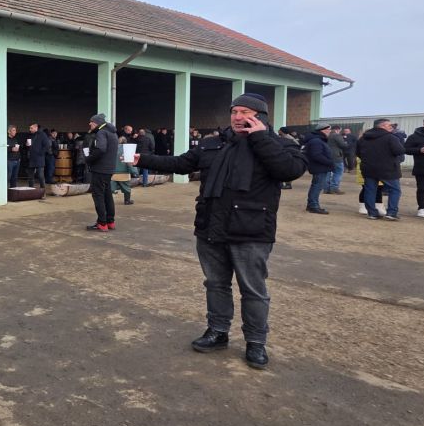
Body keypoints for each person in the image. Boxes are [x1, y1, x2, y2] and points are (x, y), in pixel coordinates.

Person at [134, 92, 307, 369]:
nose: (238, 117)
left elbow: (290, 170)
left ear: (260, 117)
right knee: (215, 284)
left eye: (245, 112)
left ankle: (256, 342)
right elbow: (181, 164)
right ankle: (217, 331)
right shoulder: (213, 144)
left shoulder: (279, 144)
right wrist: (141, 159)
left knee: (253, 290)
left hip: (251, 231)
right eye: (234, 111)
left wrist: (259, 138)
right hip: (210, 227)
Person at [356, 119, 405, 220]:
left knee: (370, 190)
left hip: (368, 168)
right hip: (388, 169)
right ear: (382, 126)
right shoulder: (391, 137)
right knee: (394, 190)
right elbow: (399, 151)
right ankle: (391, 213)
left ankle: (372, 213)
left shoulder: (363, 138)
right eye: (389, 125)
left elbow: (358, 152)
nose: (391, 127)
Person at [83, 114, 119, 231]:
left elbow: (101, 149)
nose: (89, 123)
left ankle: (102, 223)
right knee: (107, 194)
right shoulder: (112, 133)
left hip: (100, 169)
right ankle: (110, 221)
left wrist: (89, 159)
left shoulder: (101, 133)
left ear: (97, 122)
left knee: (98, 195)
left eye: (91, 121)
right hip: (109, 169)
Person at [404, 115, 424, 218]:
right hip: (422, 167)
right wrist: (419, 150)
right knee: (422, 189)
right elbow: (405, 149)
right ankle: (422, 208)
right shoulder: (415, 136)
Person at [302, 123, 334, 214]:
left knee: (317, 186)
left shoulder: (319, 140)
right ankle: (313, 206)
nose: (330, 131)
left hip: (320, 167)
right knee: (317, 186)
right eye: (329, 129)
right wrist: (329, 162)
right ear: (323, 130)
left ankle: (312, 205)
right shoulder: (316, 141)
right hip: (319, 167)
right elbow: (316, 155)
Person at [26, 123, 50, 189]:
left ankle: (43, 190)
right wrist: (27, 145)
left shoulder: (42, 134)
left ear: (36, 128)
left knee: (40, 176)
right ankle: (30, 190)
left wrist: (41, 153)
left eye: (31, 128)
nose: (30, 129)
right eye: (29, 128)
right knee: (30, 176)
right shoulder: (29, 135)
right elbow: (27, 146)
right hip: (31, 158)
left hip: (39, 158)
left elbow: (47, 145)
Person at [326, 126, 348, 194]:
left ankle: (326, 188)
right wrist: (346, 143)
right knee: (338, 172)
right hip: (336, 156)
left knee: (328, 172)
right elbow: (343, 145)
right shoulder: (336, 136)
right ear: (337, 130)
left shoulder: (327, 136)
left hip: (327, 156)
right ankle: (334, 188)